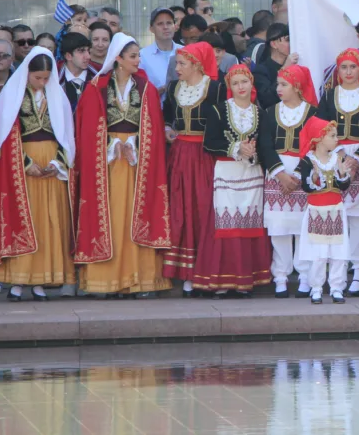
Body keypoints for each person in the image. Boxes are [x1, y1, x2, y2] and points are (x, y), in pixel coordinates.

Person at [73, 33, 172, 298]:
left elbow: (154, 127)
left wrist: (135, 144)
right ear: (118, 58)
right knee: (112, 216)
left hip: (138, 161)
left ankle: (140, 279)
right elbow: (87, 127)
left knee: (135, 215)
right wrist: (112, 144)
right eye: (133, 56)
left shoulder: (146, 87)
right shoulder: (96, 87)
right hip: (107, 163)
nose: (138, 60)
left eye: (138, 56)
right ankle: (107, 280)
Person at [0, 48, 75, 301]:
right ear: (27, 74)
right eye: (37, 78)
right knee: (24, 221)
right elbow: (3, 135)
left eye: (46, 78)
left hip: (52, 167)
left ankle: (41, 281)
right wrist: (25, 162)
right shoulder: (13, 96)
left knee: (49, 222)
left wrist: (57, 162)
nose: (42, 82)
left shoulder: (58, 96)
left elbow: (67, 136)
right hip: (22, 168)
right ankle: (18, 281)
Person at [199, 64, 272, 296]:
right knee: (226, 225)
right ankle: (223, 280)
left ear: (251, 84)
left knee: (249, 223)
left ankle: (246, 280)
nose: (241, 87)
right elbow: (209, 143)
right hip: (227, 171)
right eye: (236, 83)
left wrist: (253, 153)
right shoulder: (218, 110)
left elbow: (266, 146)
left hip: (251, 172)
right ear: (229, 86)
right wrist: (237, 147)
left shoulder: (260, 113)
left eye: (245, 82)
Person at [161, 42, 226, 298]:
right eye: (177, 63)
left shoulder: (216, 88)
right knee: (181, 210)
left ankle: (205, 272)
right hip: (180, 155)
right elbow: (167, 115)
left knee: (204, 209)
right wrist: (168, 129)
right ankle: (187, 275)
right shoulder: (173, 88)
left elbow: (225, 121)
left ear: (197, 64)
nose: (177, 68)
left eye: (182, 64)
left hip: (205, 156)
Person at [315, 51, 359, 297]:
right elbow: (320, 127)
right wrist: (337, 154)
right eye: (343, 67)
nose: (348, 72)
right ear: (337, 71)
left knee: (357, 218)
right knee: (335, 215)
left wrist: (357, 158)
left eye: (353, 67)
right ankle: (334, 271)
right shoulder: (329, 95)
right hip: (333, 157)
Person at [260, 64, 319, 298]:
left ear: (297, 86)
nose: (278, 89)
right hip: (277, 174)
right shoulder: (270, 112)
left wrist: (298, 175)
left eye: (284, 84)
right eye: (278, 84)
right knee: (279, 229)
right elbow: (265, 145)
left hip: (302, 175)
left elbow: (315, 146)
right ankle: (281, 277)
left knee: (303, 229)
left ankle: (305, 277)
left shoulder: (313, 113)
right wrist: (281, 175)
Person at [295, 117, 354, 304]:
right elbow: (307, 187)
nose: (337, 139)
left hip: (336, 210)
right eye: (333, 136)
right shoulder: (308, 161)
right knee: (318, 254)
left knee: (338, 252)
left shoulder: (337, 159)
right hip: (316, 211)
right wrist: (314, 177)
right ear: (319, 138)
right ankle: (316, 288)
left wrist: (343, 175)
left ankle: (337, 288)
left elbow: (343, 186)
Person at [253, 24, 299, 109]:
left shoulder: (296, 66)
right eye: (287, 40)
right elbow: (267, 100)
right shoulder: (260, 70)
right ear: (274, 44)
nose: (291, 44)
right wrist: (284, 69)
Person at [139, 8, 180, 96]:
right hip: (155, 103)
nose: (165, 27)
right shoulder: (142, 56)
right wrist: (156, 92)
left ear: (175, 26)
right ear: (151, 29)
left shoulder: (185, 51)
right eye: (160, 24)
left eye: (169, 23)